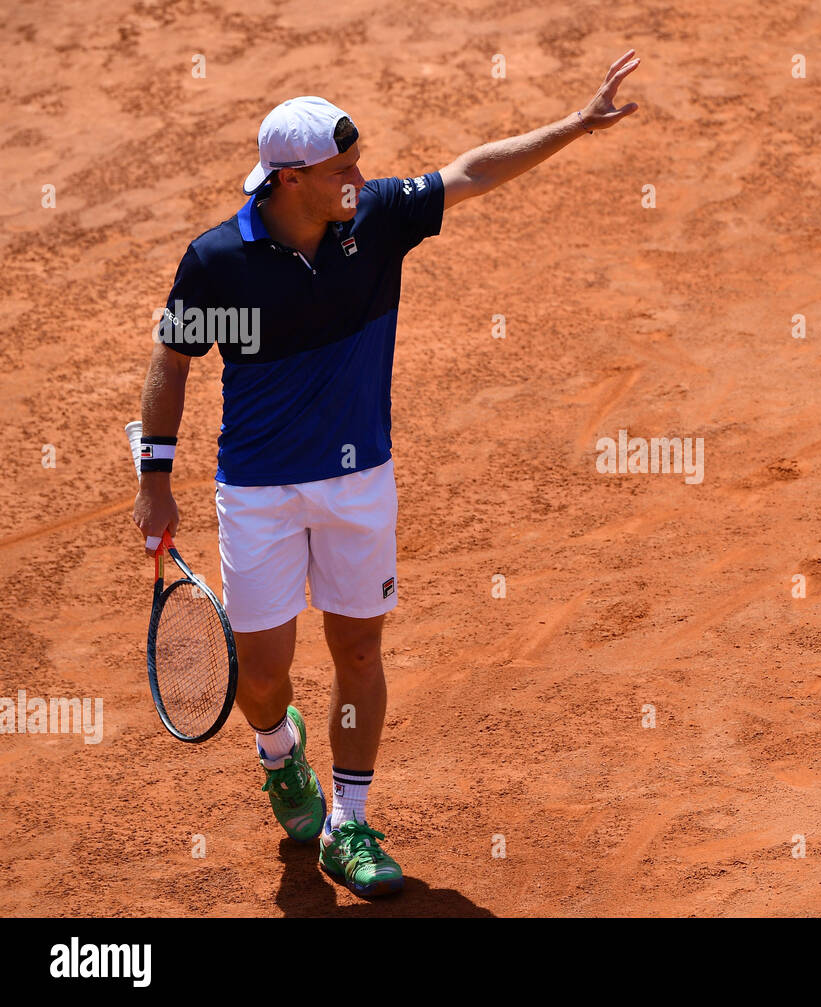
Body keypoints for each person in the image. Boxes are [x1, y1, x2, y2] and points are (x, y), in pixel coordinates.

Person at [132, 51, 640, 897]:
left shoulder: (375, 220)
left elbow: (472, 171)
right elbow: (173, 358)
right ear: (289, 181)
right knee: (261, 673)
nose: (359, 179)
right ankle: (279, 752)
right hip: (258, 490)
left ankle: (350, 822)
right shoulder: (219, 261)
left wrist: (576, 126)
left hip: (359, 481)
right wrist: (155, 478)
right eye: (342, 169)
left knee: (359, 647)